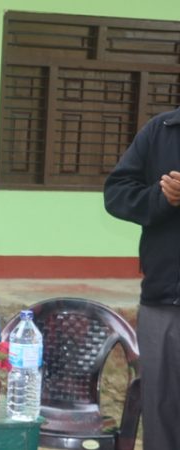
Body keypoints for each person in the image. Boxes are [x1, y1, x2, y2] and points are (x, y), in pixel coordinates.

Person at [104, 107, 180, 450]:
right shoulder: (162, 130)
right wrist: (161, 198)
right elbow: (116, 193)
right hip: (164, 300)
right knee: (160, 414)